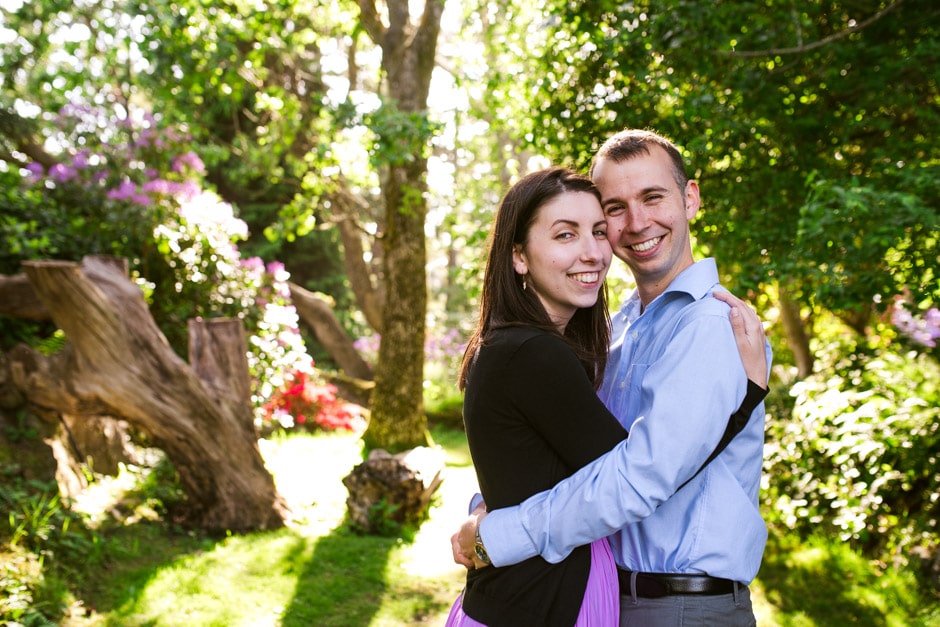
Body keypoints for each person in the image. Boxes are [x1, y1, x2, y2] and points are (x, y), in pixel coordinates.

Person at [455, 129, 772, 627]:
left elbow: (641, 476)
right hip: (601, 595)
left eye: (653, 197)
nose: (638, 222)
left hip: (680, 607)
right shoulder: (614, 330)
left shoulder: (712, 327)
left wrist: (501, 531)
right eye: (615, 209)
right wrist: (486, 506)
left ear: (690, 199)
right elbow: (557, 455)